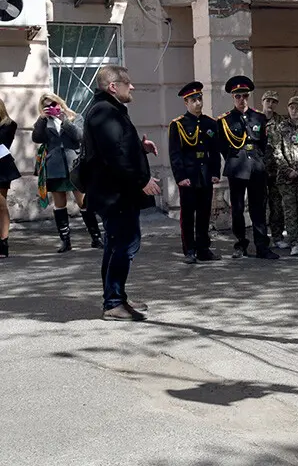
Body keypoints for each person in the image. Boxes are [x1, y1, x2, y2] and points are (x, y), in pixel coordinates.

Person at [81, 64, 161, 322]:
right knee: (125, 244)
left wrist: (141, 147)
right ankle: (113, 303)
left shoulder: (109, 110)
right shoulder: (104, 112)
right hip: (114, 194)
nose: (133, 86)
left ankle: (117, 296)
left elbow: (118, 146)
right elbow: (114, 155)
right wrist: (142, 180)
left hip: (116, 192)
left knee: (117, 244)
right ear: (113, 87)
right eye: (127, 82)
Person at [32, 92, 103, 252]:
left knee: (83, 202)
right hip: (55, 167)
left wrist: (64, 120)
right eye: (46, 106)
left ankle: (96, 238)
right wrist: (42, 119)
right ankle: (65, 241)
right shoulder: (44, 122)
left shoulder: (74, 117)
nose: (51, 108)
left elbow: (80, 137)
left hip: (74, 165)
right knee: (59, 204)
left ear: (60, 103)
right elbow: (37, 138)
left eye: (53, 104)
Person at [218, 76, 278, 260]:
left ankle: (262, 246)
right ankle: (240, 244)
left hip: (256, 167)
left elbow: (263, 143)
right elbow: (222, 146)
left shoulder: (258, 117)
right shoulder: (225, 120)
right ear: (233, 98)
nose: (241, 99)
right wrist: (235, 160)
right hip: (237, 167)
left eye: (244, 95)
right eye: (238, 96)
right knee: (237, 208)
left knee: (258, 207)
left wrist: (258, 161)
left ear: (248, 96)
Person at [168, 81, 222, 264]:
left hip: (205, 175)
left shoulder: (210, 123)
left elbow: (214, 151)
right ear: (186, 103)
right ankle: (189, 249)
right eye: (193, 100)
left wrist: (215, 172)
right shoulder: (178, 125)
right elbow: (175, 154)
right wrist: (180, 177)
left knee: (204, 213)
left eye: (199, 99)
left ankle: (203, 248)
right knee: (188, 215)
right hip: (189, 176)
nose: (198, 103)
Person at [271, 95, 298, 256]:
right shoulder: (280, 127)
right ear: (288, 109)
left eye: (297, 108)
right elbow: (277, 152)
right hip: (285, 178)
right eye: (291, 107)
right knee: (289, 210)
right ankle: (293, 242)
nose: (294, 110)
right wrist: (288, 170)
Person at [260, 89, 286, 248]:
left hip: (276, 170)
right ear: (262, 101)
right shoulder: (255, 119)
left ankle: (277, 237)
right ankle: (262, 238)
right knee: (260, 205)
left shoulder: (281, 121)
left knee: (277, 205)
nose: (270, 104)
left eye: (274, 101)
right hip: (260, 170)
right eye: (268, 100)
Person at [0, 97, 20, 258]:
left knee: (0, 205)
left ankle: (3, 242)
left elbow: (2, 144)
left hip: (2, 168)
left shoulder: (8, 125)